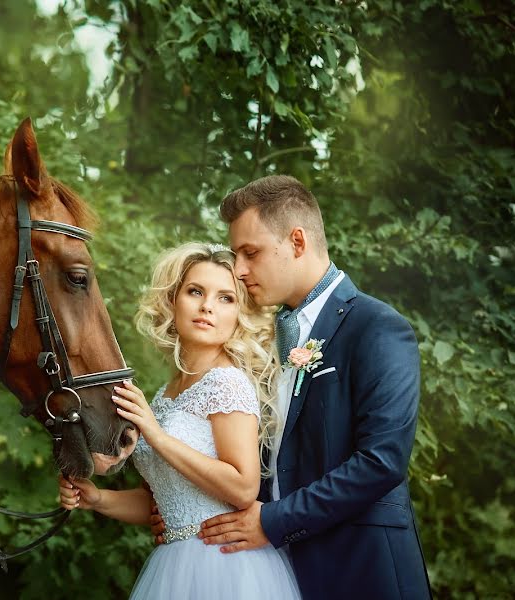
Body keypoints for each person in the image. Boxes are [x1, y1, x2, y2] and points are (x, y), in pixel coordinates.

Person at [197, 175, 432, 599]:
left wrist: (273, 522)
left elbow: (381, 462)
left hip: (362, 571)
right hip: (277, 573)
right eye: (235, 255)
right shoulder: (262, 339)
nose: (239, 270)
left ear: (298, 242)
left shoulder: (377, 328)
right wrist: (189, 517)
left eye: (250, 253)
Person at [58, 242, 301, 599]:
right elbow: (163, 501)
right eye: (195, 291)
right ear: (172, 301)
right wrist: (97, 499)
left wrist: (156, 435)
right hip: (172, 565)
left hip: (226, 567)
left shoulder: (227, 382)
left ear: (238, 314)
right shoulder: (164, 395)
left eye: (225, 298)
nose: (207, 307)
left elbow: (243, 487)